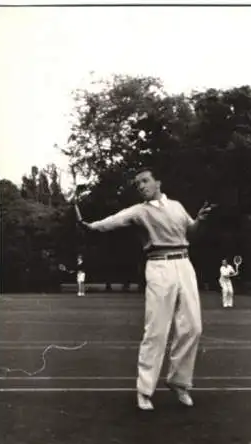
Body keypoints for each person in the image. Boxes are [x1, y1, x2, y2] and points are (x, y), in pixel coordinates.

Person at [78, 168, 214, 410]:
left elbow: (191, 233)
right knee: (156, 331)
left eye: (145, 181)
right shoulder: (139, 211)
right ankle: (144, 390)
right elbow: (113, 220)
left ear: (158, 182)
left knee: (193, 327)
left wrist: (200, 221)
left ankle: (179, 382)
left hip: (184, 265)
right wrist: (91, 226)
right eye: (137, 183)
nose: (141, 186)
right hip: (158, 268)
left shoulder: (177, 206)